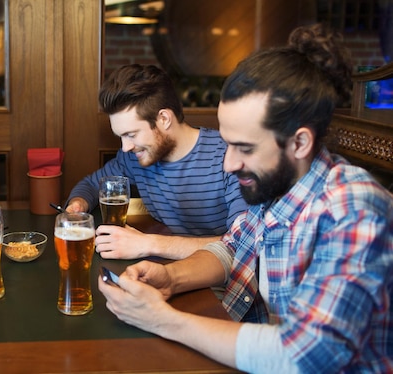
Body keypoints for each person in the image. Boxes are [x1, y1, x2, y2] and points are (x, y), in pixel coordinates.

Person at [98, 24, 393, 373]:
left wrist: (162, 320)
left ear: (299, 143)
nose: (228, 162)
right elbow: (232, 247)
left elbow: (304, 356)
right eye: (228, 142)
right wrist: (171, 279)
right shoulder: (276, 187)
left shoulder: (354, 209)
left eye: (245, 148)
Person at [65, 64, 247, 260]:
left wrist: (147, 244)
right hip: (170, 269)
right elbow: (91, 185)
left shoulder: (230, 157)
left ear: (164, 118)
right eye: (121, 136)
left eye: (131, 134)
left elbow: (242, 244)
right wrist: (77, 205)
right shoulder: (134, 158)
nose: (125, 147)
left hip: (222, 281)